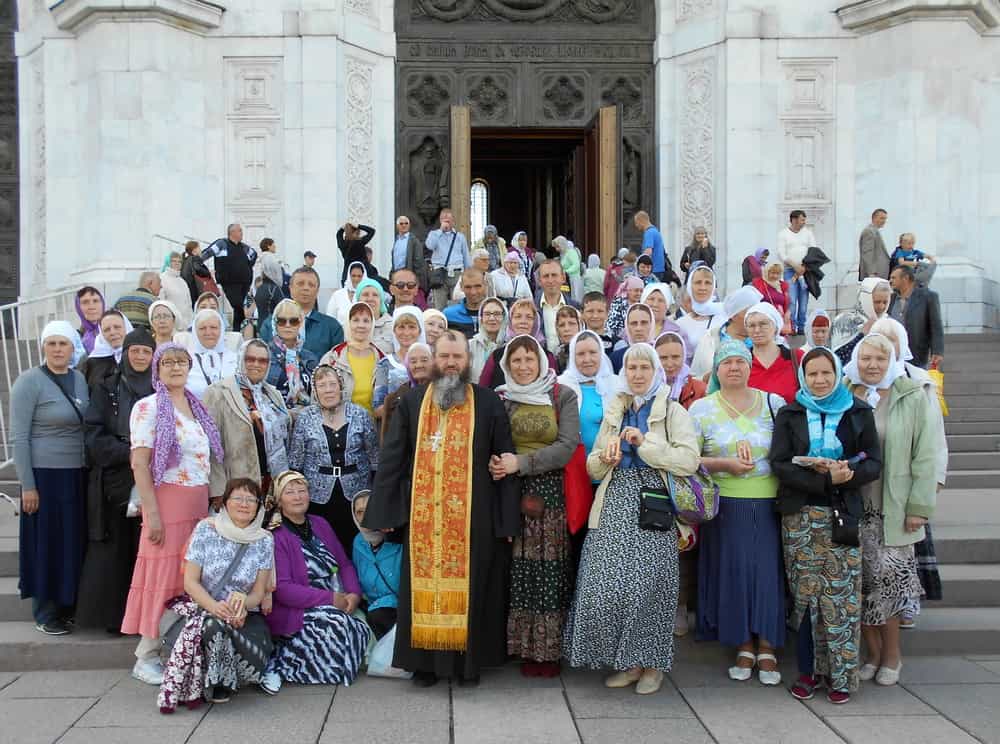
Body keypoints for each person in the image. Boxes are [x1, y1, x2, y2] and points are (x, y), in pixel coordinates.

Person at [362, 331, 520, 687]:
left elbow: (503, 459)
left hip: (473, 519)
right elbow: (393, 458)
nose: (451, 363)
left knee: (472, 590)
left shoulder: (488, 403)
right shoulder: (414, 401)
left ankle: (467, 666)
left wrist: (506, 519)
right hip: (423, 521)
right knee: (423, 593)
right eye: (445, 356)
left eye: (457, 357)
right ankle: (425, 665)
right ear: (434, 359)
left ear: (468, 361)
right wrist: (386, 512)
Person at [563, 343, 700, 694]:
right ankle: (629, 661)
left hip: (654, 503)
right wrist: (605, 459)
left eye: (644, 367)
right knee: (605, 586)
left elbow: (688, 461)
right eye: (632, 368)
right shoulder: (616, 408)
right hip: (613, 500)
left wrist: (645, 444)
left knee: (651, 587)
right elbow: (592, 463)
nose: (638, 374)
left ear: (656, 371)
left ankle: (652, 665)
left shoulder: (672, 412)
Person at [769, 347, 882, 704]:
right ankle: (807, 672)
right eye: (813, 374)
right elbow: (780, 463)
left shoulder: (859, 412)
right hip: (800, 515)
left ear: (836, 374)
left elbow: (874, 462)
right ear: (804, 376)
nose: (819, 380)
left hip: (842, 515)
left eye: (826, 374)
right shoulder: (791, 413)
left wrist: (847, 475)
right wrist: (822, 480)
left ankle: (841, 677)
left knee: (843, 599)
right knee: (805, 598)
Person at [122, 342, 224, 685]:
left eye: (182, 362)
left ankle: (175, 647)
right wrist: (152, 515)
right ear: (157, 368)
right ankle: (145, 654)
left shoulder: (195, 406)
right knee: (164, 577)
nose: (176, 368)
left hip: (196, 503)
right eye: (168, 362)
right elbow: (139, 463)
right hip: (167, 501)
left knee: (188, 579)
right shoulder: (148, 407)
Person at [689, 341, 786, 685]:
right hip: (724, 504)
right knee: (735, 574)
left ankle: (768, 645)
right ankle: (743, 643)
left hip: (769, 503)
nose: (734, 367)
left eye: (740, 362)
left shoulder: (774, 404)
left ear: (750, 367)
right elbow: (687, 458)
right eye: (727, 362)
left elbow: (788, 451)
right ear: (716, 370)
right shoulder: (701, 409)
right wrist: (724, 464)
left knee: (766, 575)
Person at [844, 333, 936, 686]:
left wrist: (919, 507)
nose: (872, 365)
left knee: (892, 585)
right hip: (853, 506)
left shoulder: (911, 395)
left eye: (880, 359)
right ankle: (871, 651)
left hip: (894, 507)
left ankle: (892, 655)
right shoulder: (846, 391)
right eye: (866, 358)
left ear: (892, 361)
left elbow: (925, 455)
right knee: (860, 582)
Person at [491, 335, 579, 677]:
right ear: (506, 366)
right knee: (516, 570)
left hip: (550, 494)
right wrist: (497, 464)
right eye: (516, 361)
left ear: (541, 361)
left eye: (530, 359)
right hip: (509, 492)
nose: (524, 367)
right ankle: (518, 646)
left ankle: (548, 651)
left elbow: (567, 445)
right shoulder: (500, 399)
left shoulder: (561, 395)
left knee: (549, 569)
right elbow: (490, 441)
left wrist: (521, 463)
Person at [158, 478, 273, 710]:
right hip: (203, 607)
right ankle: (218, 682)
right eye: (238, 498)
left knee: (234, 633)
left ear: (259, 506)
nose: (244, 504)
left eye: (251, 500)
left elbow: (259, 592)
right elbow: (190, 582)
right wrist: (215, 607)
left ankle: (219, 675)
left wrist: (242, 606)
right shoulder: (206, 529)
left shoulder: (264, 540)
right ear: (225, 503)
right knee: (214, 625)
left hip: (243, 616)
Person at [261, 471, 371, 695]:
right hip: (295, 607)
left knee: (360, 628)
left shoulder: (320, 523)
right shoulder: (276, 534)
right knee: (337, 624)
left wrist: (353, 594)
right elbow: (283, 589)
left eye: (302, 491)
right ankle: (284, 666)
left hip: (334, 596)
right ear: (279, 500)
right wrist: (331, 599)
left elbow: (344, 563)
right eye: (290, 492)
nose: (297, 496)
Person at [869, 318, 948, 627]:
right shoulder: (859, 384)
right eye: (877, 340)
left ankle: (905, 609)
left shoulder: (919, 382)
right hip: (872, 489)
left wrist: (933, 482)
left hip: (905, 486)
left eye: (890, 340)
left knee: (905, 552)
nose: (884, 347)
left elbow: (933, 440)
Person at [12, 322, 89, 635]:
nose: (58, 349)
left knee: (71, 542)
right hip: (44, 476)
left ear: (73, 348)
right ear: (43, 347)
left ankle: (66, 605)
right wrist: (28, 485)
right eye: (52, 343)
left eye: (64, 343)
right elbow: (19, 437)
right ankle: (45, 611)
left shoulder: (79, 379)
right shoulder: (28, 382)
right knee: (46, 544)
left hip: (76, 475)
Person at [76, 329, 154, 633]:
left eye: (146, 352)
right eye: (134, 351)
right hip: (117, 477)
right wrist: (131, 452)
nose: (139, 357)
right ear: (126, 353)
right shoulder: (105, 388)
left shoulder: (159, 389)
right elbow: (93, 434)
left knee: (145, 548)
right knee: (117, 548)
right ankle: (116, 618)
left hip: (153, 476)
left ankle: (145, 616)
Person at [288, 365, 378, 554]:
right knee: (324, 544)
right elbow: (296, 461)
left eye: (332, 384)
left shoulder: (360, 414)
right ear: (315, 390)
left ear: (341, 386)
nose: (328, 390)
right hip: (318, 496)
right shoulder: (305, 418)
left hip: (356, 492)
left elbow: (374, 457)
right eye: (321, 385)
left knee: (354, 544)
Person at [653, 329, 706, 636]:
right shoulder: (648, 386)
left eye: (676, 357)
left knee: (684, 544)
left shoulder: (696, 388)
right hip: (658, 472)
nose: (670, 363)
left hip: (686, 475)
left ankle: (681, 607)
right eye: (664, 358)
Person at [203, 339, 290, 499]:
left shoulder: (272, 394)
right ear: (240, 359)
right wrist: (218, 491)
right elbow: (210, 447)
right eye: (250, 359)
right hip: (236, 483)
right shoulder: (218, 392)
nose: (256, 364)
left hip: (271, 481)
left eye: (263, 360)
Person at [259, 267, 344, 358]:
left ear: (317, 291)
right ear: (290, 288)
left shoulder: (332, 327)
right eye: (300, 284)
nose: (306, 288)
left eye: (311, 285)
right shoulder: (271, 323)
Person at [558, 330, 616, 461]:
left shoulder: (616, 384)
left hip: (609, 466)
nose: (587, 359)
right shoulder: (561, 385)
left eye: (593, 353)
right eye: (580, 354)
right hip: (574, 467)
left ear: (601, 354)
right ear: (573, 356)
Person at [351, 490, 401, 639]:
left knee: (379, 615)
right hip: (372, 607)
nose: (366, 516)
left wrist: (380, 604)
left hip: (397, 609)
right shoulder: (359, 542)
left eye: (371, 509)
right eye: (359, 512)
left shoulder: (399, 541)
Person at [478, 298, 558, 389]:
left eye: (529, 317)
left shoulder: (547, 356)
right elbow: (483, 389)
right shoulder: (497, 355)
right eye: (518, 316)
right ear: (510, 321)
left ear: (535, 323)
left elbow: (554, 390)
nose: (523, 321)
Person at [321, 302, 384, 415]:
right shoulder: (332, 358)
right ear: (348, 323)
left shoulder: (381, 359)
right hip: (339, 426)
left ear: (372, 324)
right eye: (355, 320)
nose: (361, 325)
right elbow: (318, 397)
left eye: (366, 321)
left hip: (372, 427)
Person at [690, 285, 763, 380]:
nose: (756, 317)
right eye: (750, 313)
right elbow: (694, 378)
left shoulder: (765, 338)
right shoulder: (711, 338)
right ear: (734, 315)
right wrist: (709, 378)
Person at [265, 299, 319, 410]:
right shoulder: (265, 355)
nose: (287, 325)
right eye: (281, 321)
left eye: (294, 321)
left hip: (307, 418)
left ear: (301, 324)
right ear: (275, 324)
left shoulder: (310, 358)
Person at [746, 302, 804, 403]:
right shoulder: (742, 361)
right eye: (751, 325)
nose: (757, 330)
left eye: (763, 324)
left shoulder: (797, 357)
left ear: (776, 326)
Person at [374, 306, 427, 417]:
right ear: (394, 331)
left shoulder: (431, 362)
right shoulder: (385, 364)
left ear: (420, 330)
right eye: (401, 327)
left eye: (412, 327)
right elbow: (377, 409)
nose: (406, 332)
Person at [203, 224, 257, 331]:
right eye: (240, 231)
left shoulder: (244, 247)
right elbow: (207, 253)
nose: (242, 233)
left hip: (244, 283)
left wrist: (248, 266)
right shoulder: (222, 244)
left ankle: (237, 331)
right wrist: (196, 263)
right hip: (229, 283)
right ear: (232, 232)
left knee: (239, 309)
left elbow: (254, 254)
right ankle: (242, 329)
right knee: (238, 305)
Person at [888, 265, 944, 369]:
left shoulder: (928, 297)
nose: (890, 281)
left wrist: (937, 351)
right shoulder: (889, 299)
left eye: (893, 278)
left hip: (918, 355)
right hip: (893, 357)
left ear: (905, 278)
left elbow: (936, 326)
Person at [831, 278, 893, 365]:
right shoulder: (845, 321)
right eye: (877, 302)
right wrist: (862, 335)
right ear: (865, 299)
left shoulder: (889, 323)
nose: (881, 307)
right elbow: (838, 359)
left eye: (885, 302)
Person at [380, 342, 433, 444]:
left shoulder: (443, 393)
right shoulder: (394, 399)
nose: (419, 365)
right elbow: (388, 442)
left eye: (424, 360)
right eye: (413, 361)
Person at [775, 210, 816, 335]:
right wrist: (794, 265)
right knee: (791, 300)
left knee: (803, 301)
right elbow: (781, 254)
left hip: (805, 271)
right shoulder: (783, 234)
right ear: (793, 220)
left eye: (804, 219)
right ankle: (791, 326)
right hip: (790, 271)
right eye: (801, 219)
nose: (804, 222)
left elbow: (813, 250)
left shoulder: (808, 233)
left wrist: (803, 267)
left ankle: (801, 327)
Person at [184, 309, 238, 399]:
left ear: (221, 330)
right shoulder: (185, 359)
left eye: (213, 327)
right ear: (195, 332)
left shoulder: (235, 358)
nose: (208, 332)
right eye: (202, 328)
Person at [427, 208, 471, 310]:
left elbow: (466, 256)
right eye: (444, 220)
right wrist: (440, 231)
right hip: (439, 273)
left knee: (458, 304)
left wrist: (468, 274)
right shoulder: (434, 234)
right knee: (439, 305)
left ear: (453, 222)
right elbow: (429, 245)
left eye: (448, 220)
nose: (446, 222)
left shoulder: (460, 237)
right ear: (440, 221)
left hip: (456, 273)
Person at [78, 310, 134, 386]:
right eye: (107, 330)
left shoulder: (138, 355)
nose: (112, 332)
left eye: (117, 327)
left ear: (126, 328)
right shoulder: (92, 363)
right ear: (101, 334)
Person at [676, 264, 724, 351]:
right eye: (698, 282)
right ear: (690, 286)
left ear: (713, 287)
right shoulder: (680, 324)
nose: (703, 287)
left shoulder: (724, 317)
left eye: (708, 283)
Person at [537, 258, 579, 353]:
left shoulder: (576, 308)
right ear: (539, 280)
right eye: (546, 276)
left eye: (554, 275)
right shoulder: (532, 309)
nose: (550, 280)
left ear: (563, 278)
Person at [351, 277, 394, 356]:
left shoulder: (393, 325)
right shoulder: (349, 325)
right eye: (365, 294)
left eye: (375, 295)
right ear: (358, 299)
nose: (370, 298)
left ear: (381, 299)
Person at [469, 298, 506, 383]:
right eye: (487, 314)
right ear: (481, 318)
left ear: (504, 318)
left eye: (497, 314)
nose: (492, 318)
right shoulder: (470, 346)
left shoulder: (509, 346)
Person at [444, 268, 488, 339]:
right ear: (461, 287)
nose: (473, 292)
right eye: (468, 287)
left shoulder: (495, 314)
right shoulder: (448, 314)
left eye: (478, 286)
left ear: (485, 285)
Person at [610, 303, 655, 373]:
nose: (638, 328)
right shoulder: (616, 358)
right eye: (634, 323)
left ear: (651, 324)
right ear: (627, 326)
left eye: (644, 323)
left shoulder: (660, 354)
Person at [392, 215, 429, 293]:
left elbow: (418, 262)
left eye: (406, 223)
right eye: (401, 223)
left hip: (409, 275)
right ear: (397, 226)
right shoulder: (397, 240)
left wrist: (416, 280)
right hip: (397, 275)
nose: (404, 225)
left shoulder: (414, 240)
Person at [753, 258, 791, 328]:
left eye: (778, 273)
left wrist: (787, 313)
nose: (775, 276)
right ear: (767, 272)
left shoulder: (783, 285)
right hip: (764, 318)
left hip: (779, 319)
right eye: (773, 273)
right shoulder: (759, 283)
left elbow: (787, 302)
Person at [159, 252, 193, 330]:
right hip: (170, 325)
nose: (177, 263)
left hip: (185, 325)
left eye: (179, 261)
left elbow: (189, 303)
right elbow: (161, 303)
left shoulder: (182, 281)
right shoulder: (162, 279)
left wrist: (190, 322)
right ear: (168, 262)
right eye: (174, 261)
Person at [634, 210, 669, 283]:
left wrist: (637, 264)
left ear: (641, 221)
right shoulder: (655, 231)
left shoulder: (649, 233)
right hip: (658, 269)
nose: (636, 225)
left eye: (636, 222)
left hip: (653, 271)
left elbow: (648, 252)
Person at [606, 275, 643, 342]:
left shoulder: (642, 304)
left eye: (641, 291)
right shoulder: (618, 304)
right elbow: (612, 327)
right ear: (628, 290)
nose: (639, 293)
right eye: (636, 290)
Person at [254, 251, 287, 326]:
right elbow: (283, 308)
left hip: (261, 325)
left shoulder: (260, 288)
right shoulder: (274, 288)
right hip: (271, 327)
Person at [859, 208, 890, 280]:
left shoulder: (874, 231)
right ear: (874, 218)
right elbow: (867, 253)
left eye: (885, 219)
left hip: (879, 274)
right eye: (882, 218)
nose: (884, 221)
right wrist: (871, 273)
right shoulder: (869, 231)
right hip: (874, 275)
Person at [75, 286, 106, 355]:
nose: (91, 307)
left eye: (95, 301)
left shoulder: (115, 329)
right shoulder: (76, 340)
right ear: (78, 308)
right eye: (85, 302)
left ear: (103, 304)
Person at [552, 235, 583, 304]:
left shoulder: (571, 252)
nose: (556, 249)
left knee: (575, 298)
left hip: (574, 279)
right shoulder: (563, 254)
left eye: (558, 246)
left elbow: (576, 265)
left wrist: (566, 271)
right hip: (567, 279)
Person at [180, 241, 212, 306]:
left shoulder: (185, 259)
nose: (200, 250)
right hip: (194, 287)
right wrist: (208, 273)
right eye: (199, 248)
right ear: (194, 250)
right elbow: (198, 268)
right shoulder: (195, 258)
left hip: (187, 287)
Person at [553, 305, 584, 373]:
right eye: (561, 325)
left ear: (580, 326)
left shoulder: (589, 351)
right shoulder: (556, 354)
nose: (566, 329)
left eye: (572, 324)